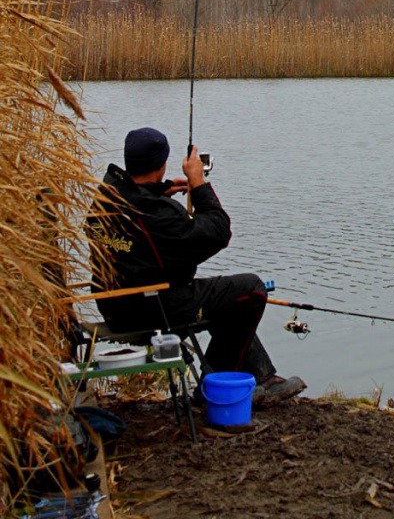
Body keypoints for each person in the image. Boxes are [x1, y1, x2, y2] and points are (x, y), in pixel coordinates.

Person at [87, 126, 305, 406]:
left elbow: (138, 214)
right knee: (251, 290)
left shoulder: (107, 198)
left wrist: (161, 191)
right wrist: (199, 185)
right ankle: (213, 388)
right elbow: (217, 233)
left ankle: (262, 377)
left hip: (116, 305)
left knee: (226, 295)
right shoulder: (160, 216)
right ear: (162, 163)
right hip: (157, 307)